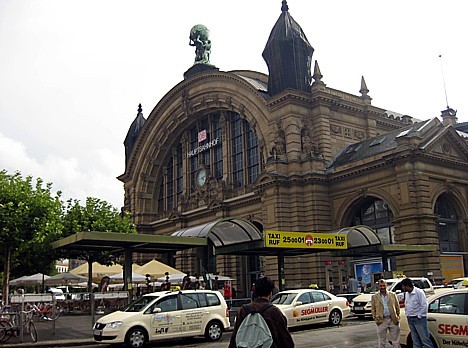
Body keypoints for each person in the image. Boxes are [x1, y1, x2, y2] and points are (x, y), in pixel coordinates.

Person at [228, 277, 294, 348]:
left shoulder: (243, 310)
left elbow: (234, 338)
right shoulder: (274, 312)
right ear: (270, 292)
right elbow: (285, 340)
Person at [401, 278, 434, 348]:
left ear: (407, 286)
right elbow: (407, 304)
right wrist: (407, 314)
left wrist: (419, 316)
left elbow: (424, 305)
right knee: (415, 340)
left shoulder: (419, 292)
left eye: (403, 286)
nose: (402, 288)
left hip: (419, 319)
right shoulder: (407, 294)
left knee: (424, 339)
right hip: (410, 318)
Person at [371, 279, 401, 348]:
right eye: (380, 286)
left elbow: (397, 306)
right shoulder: (374, 296)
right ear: (378, 286)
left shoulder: (392, 295)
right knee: (382, 342)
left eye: (384, 285)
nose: (382, 287)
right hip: (381, 320)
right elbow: (373, 309)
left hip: (392, 320)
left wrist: (398, 317)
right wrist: (376, 319)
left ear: (386, 285)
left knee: (396, 341)